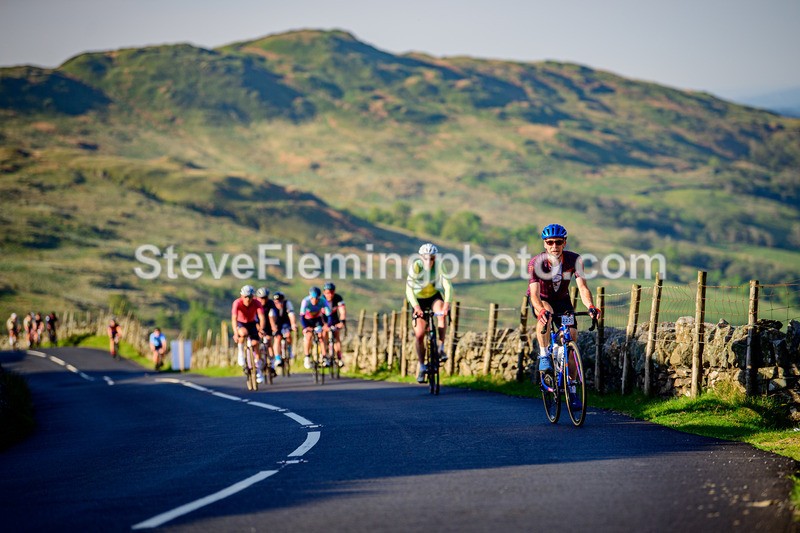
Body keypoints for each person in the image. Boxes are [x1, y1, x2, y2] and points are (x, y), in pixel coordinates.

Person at [527, 224, 600, 409]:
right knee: (548, 314)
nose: (554, 246)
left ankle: (572, 390)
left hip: (563, 301)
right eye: (550, 242)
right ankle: (544, 355)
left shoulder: (574, 260)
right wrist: (540, 309)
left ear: (564, 242)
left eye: (558, 242)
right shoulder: (537, 263)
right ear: (544, 244)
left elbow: (582, 287)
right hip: (542, 300)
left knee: (571, 339)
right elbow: (534, 294)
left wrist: (590, 306)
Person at [406, 243, 453, 383]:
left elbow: (447, 285)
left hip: (433, 297)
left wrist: (446, 305)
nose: (429, 261)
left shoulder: (439, 265)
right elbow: (408, 289)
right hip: (418, 300)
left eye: (431, 258)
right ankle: (421, 366)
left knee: (441, 315)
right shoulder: (416, 266)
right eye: (426, 258)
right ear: (421, 257)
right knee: (419, 334)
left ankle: (440, 347)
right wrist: (416, 307)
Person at [231, 284, 267, 384]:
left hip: (252, 323)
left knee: (256, 344)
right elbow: (234, 318)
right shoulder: (237, 303)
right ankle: (241, 353)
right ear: (242, 296)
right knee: (243, 333)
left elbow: (262, 317)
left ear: (253, 296)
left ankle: (258, 370)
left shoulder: (256, 302)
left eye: (250, 297)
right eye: (246, 297)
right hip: (241, 323)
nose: (248, 299)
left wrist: (261, 329)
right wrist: (235, 332)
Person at [299, 287, 332, 369]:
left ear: (319, 297)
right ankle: (307, 357)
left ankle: (324, 357)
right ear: (310, 297)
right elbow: (302, 316)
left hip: (317, 319)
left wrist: (327, 325)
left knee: (321, 336)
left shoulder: (323, 301)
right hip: (307, 320)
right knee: (308, 336)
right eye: (312, 298)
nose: (314, 301)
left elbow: (329, 315)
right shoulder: (305, 301)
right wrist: (305, 327)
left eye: (316, 298)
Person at [269, 291, 297, 367]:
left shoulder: (287, 303)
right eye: (277, 302)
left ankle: (289, 351)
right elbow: (271, 317)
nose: (279, 304)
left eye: (280, 301)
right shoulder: (272, 306)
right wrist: (273, 327)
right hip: (277, 323)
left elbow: (291, 314)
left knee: (288, 335)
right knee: (277, 338)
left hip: (286, 322)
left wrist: (293, 324)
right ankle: (277, 358)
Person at [322, 282, 346, 367]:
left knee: (336, 337)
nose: (330, 294)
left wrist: (342, 322)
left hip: (335, 320)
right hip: (323, 321)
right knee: (323, 335)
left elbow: (342, 311)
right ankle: (324, 357)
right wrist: (323, 325)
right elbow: (318, 314)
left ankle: (339, 358)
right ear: (324, 292)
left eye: (332, 292)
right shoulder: (321, 299)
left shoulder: (338, 298)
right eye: (328, 292)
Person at [254, 287, 276, 377]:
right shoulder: (255, 303)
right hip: (256, 324)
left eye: (265, 298)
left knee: (269, 342)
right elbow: (254, 318)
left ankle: (272, 363)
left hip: (268, 324)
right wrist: (258, 329)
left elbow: (273, 316)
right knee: (257, 343)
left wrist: (274, 327)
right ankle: (258, 362)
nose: (263, 300)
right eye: (261, 298)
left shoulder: (271, 303)